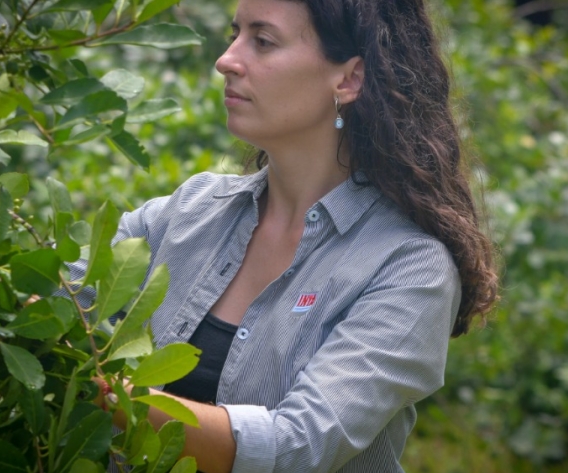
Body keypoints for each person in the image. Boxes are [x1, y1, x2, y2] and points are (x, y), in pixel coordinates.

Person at [86, 0, 498, 471]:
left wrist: (105, 391)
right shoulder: (186, 213)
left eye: (263, 41)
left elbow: (294, 448)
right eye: (234, 33)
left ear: (348, 79)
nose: (227, 59)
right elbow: (48, 296)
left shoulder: (408, 266)